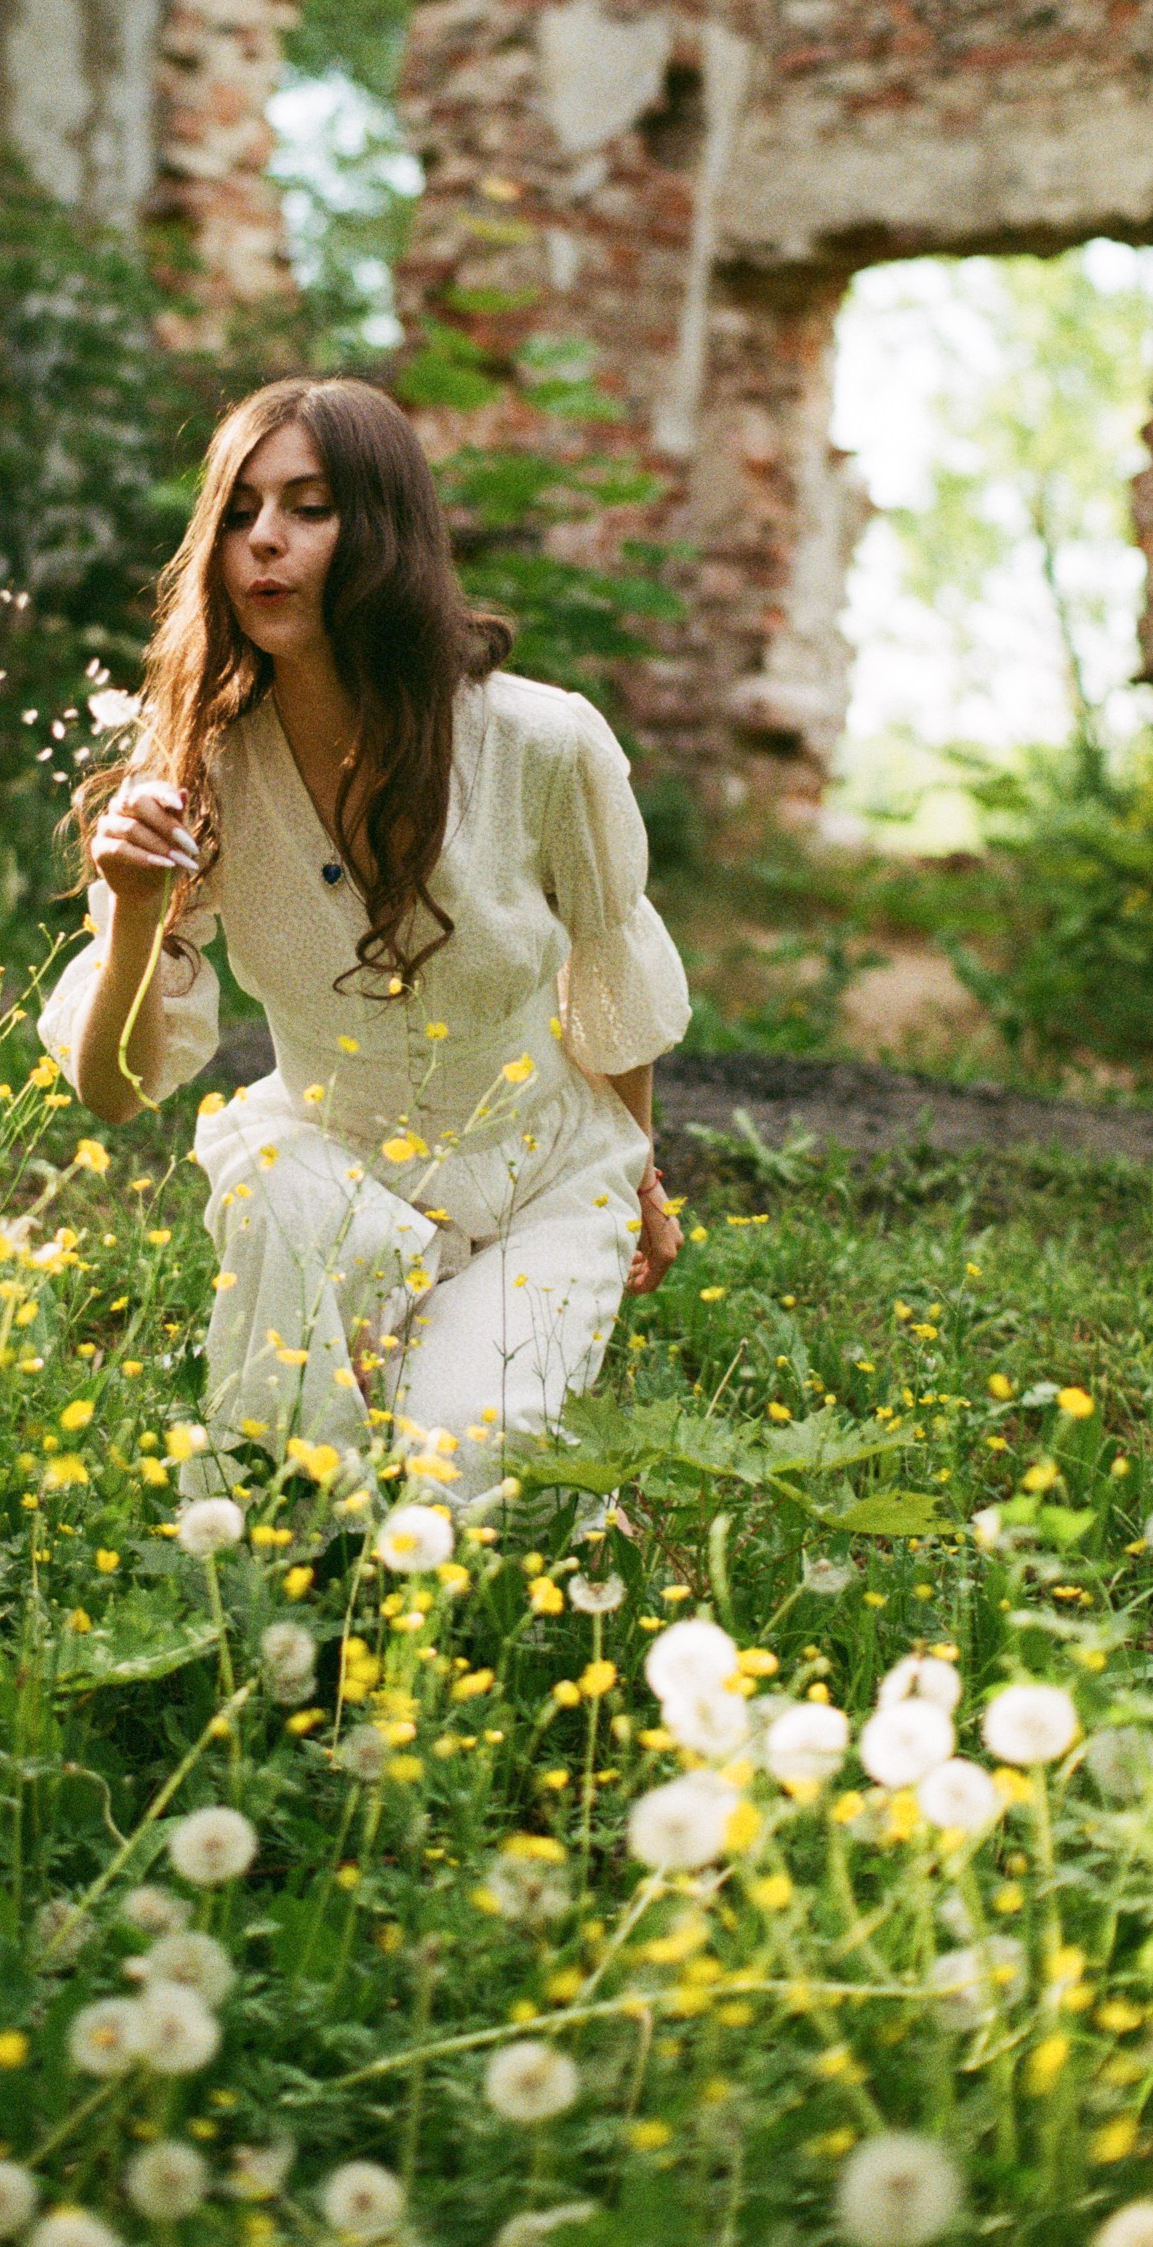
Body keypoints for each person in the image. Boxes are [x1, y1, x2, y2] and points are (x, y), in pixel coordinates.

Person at [38, 376, 688, 1503]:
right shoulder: (198, 768)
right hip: (334, 1174)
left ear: (383, 528)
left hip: (542, 1178)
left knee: (453, 1475)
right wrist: (134, 912)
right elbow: (111, 1091)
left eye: (309, 507)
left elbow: (609, 974)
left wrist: (639, 1173)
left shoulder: (542, 744)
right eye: (238, 513)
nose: (264, 544)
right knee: (292, 1489)